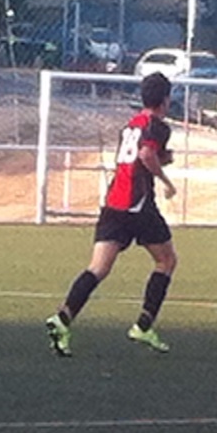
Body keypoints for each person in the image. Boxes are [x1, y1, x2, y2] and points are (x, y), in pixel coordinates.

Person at [46, 71, 178, 356]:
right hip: (138, 204)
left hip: (114, 203)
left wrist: (161, 158)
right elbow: (145, 155)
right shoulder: (158, 126)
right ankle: (143, 325)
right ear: (165, 100)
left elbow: (141, 156)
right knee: (166, 260)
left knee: (98, 268)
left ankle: (63, 319)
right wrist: (166, 181)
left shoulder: (130, 125)